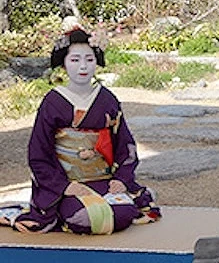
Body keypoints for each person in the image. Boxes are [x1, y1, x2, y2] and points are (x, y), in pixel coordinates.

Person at [2, 24, 160, 234]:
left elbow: (124, 144)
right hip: (67, 184)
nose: (83, 67)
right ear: (64, 64)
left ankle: (122, 197)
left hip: (103, 180)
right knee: (85, 217)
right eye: (75, 60)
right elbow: (39, 152)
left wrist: (121, 179)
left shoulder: (107, 99)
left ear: (97, 62)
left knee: (122, 214)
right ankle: (61, 209)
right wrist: (64, 186)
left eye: (89, 59)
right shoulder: (53, 101)